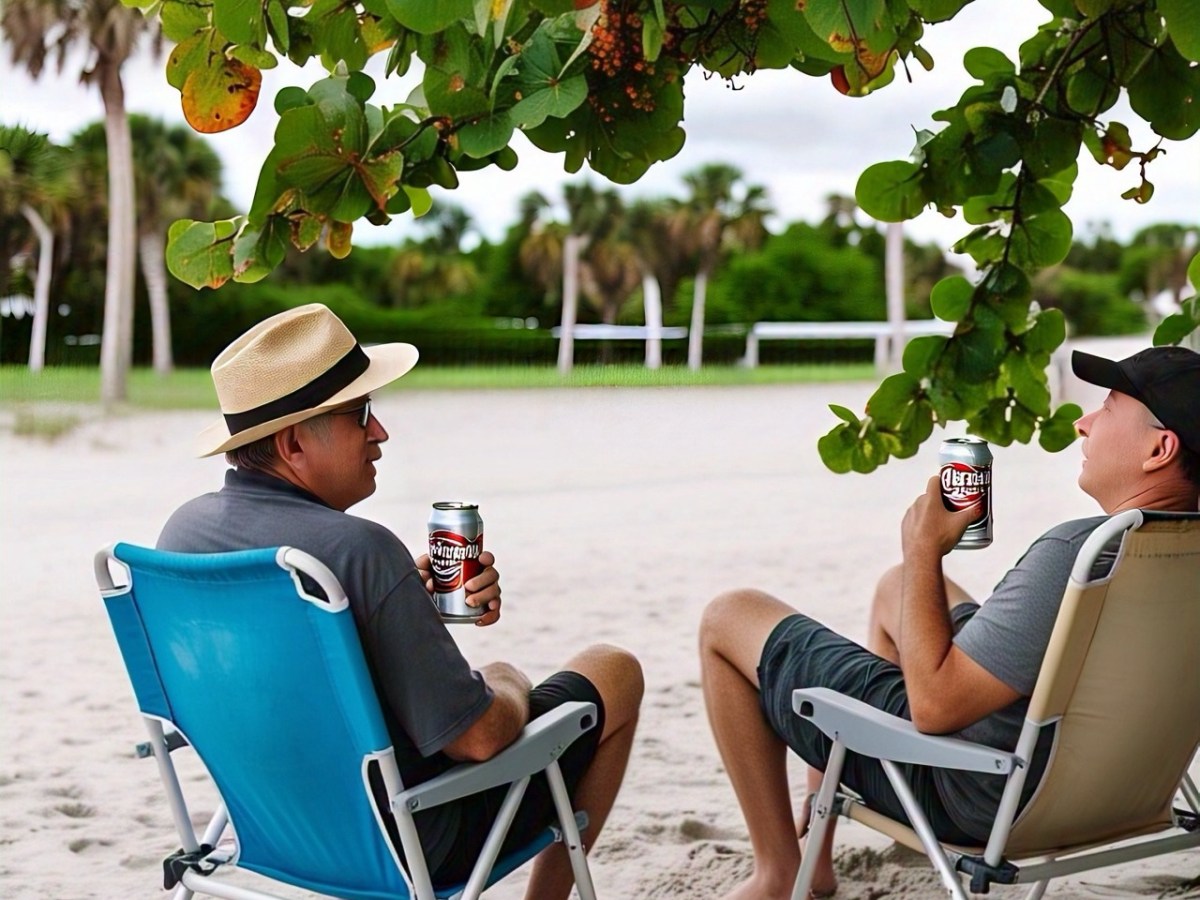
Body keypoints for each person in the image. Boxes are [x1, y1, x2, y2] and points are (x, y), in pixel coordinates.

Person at [157, 303, 644, 899]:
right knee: (614, 671)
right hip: (407, 839)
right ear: (292, 444)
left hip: (274, 829)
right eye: (360, 413)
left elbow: (282, 680)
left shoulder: (184, 536)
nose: (380, 432)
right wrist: (506, 677)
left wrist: (396, 605)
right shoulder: (357, 550)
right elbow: (480, 739)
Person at [699, 345, 1200, 900]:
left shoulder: (1077, 555)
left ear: (1160, 448)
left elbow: (934, 708)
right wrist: (912, 573)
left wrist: (923, 549)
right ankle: (818, 841)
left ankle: (779, 871)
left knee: (728, 617)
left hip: (974, 793)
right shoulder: (1177, 562)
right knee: (896, 588)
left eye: (1106, 408)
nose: (1083, 423)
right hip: (1120, 795)